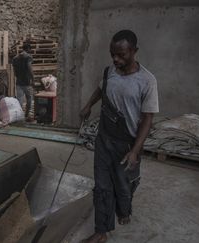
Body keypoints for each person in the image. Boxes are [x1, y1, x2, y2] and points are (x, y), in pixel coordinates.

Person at [80, 30, 159, 243]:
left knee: (124, 186)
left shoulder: (147, 80)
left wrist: (135, 151)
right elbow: (101, 90)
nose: (116, 59)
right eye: (112, 54)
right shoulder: (109, 72)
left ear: (134, 51)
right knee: (103, 185)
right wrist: (88, 105)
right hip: (104, 138)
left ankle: (124, 209)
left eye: (122, 55)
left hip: (127, 144)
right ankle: (101, 231)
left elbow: (148, 119)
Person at [12, 42, 34, 122]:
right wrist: (33, 79)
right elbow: (29, 68)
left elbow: (14, 72)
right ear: (28, 48)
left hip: (19, 82)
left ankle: (19, 117)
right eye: (30, 49)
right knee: (29, 98)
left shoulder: (15, 58)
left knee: (19, 100)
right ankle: (26, 115)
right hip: (27, 82)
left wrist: (18, 77)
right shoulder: (28, 57)